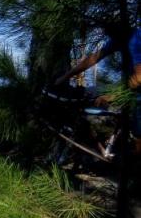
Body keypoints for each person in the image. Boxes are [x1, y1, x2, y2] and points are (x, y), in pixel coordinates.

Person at [55, 25, 141, 153]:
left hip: (136, 94)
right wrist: (65, 76)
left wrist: (113, 96)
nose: (105, 32)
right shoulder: (118, 38)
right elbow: (93, 58)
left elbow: (138, 78)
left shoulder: (136, 38)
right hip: (127, 88)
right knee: (88, 92)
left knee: (138, 137)